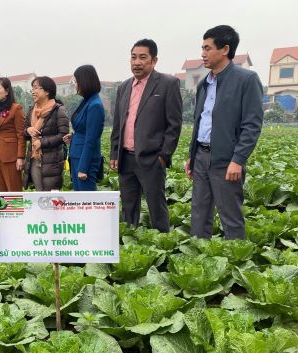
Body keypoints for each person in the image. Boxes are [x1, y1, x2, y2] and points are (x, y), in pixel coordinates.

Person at [185, 25, 263, 239]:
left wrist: (238, 160)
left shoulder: (246, 80)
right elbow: (200, 122)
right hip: (201, 156)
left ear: (225, 49)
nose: (203, 53)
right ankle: (198, 260)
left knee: (230, 215)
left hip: (226, 160)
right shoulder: (204, 84)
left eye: (208, 48)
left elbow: (252, 124)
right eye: (202, 48)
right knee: (199, 213)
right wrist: (192, 156)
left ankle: (235, 264)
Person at [110, 39, 182, 233]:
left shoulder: (168, 84)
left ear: (154, 60)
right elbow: (118, 123)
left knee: (156, 206)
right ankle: (130, 242)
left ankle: (163, 243)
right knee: (128, 207)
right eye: (133, 57)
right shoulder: (124, 87)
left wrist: (163, 156)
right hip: (126, 157)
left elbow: (174, 125)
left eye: (143, 57)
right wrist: (114, 153)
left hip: (152, 158)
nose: (137, 62)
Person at [23, 76, 70, 191]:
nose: (33, 92)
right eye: (32, 89)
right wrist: (28, 130)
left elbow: (63, 135)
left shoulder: (58, 110)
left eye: (36, 88)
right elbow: (23, 132)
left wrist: (42, 142)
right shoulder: (31, 110)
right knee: (40, 193)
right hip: (35, 158)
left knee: (51, 197)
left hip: (52, 161)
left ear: (47, 91)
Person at [63, 65, 105, 191]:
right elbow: (84, 128)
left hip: (85, 160)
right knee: (79, 200)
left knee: (86, 202)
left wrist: (83, 168)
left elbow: (92, 138)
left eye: (76, 81)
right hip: (77, 155)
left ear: (85, 81)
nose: (75, 85)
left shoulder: (95, 105)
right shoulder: (87, 101)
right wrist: (74, 135)